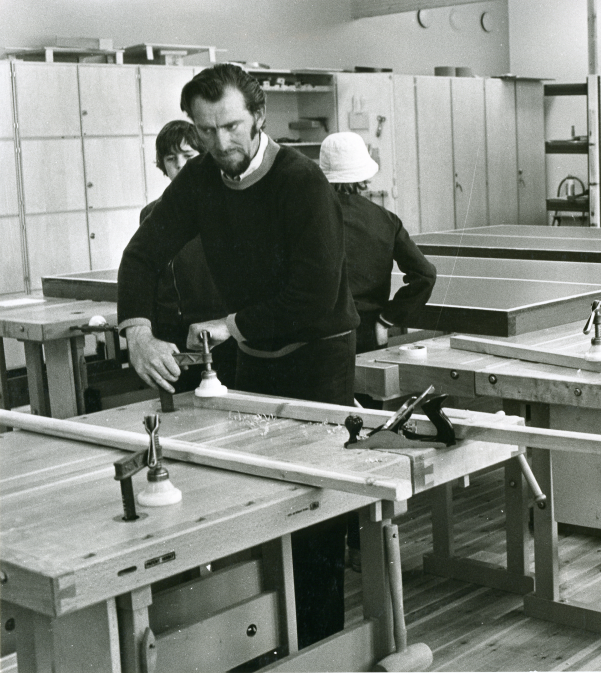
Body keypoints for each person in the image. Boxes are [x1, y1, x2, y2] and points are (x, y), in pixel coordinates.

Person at [117, 63, 359, 647]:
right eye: (204, 130)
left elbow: (313, 292)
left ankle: (323, 646)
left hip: (319, 356)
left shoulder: (301, 182)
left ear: (258, 118)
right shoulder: (200, 179)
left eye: (229, 127)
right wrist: (138, 329)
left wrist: (230, 324)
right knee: (258, 499)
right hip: (255, 351)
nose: (219, 143)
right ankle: (274, 640)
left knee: (315, 511)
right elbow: (141, 255)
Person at [318, 131, 437, 572]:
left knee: (321, 438)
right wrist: (388, 320)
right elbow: (424, 274)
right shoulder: (384, 220)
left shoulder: (306, 219)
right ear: (365, 177)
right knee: (361, 437)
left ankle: (322, 540)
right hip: (366, 339)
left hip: (316, 343)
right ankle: (359, 541)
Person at [142, 120, 236, 391]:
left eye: (189, 156)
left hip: (222, 332)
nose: (180, 165)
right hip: (176, 336)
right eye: (171, 158)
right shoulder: (151, 215)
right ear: (162, 165)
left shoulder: (227, 209)